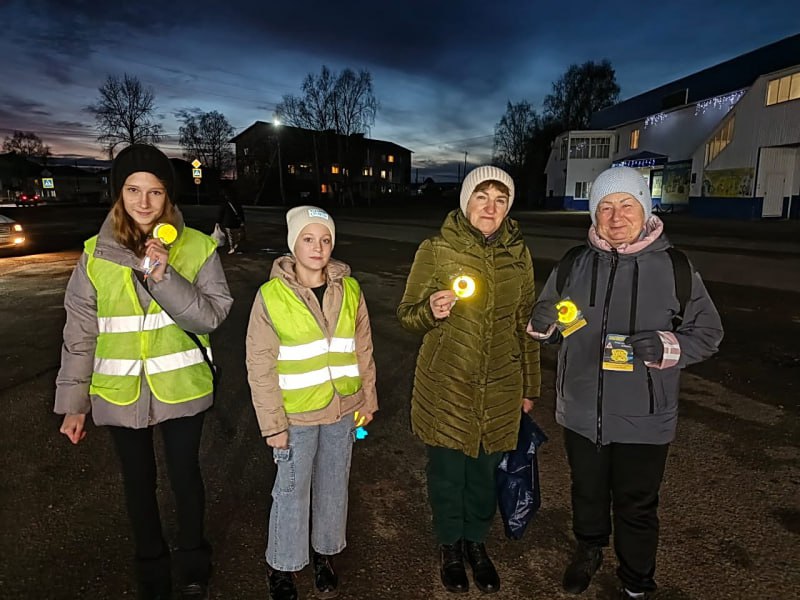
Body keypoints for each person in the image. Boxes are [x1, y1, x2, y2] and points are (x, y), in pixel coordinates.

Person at [528, 166, 723, 600]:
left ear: (645, 210)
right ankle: (589, 548)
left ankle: (636, 579)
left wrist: (666, 345)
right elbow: (546, 318)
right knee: (587, 491)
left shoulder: (675, 267)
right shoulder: (573, 263)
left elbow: (708, 333)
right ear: (594, 215)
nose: (616, 217)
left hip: (644, 415)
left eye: (626, 205)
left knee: (637, 504)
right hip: (581, 409)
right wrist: (542, 325)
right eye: (605, 207)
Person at [55, 144, 233, 600]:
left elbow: (210, 317)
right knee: (138, 483)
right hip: (118, 390)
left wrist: (164, 276)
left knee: (185, 476)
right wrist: (73, 404)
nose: (144, 202)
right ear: (119, 193)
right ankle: (151, 566)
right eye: (133, 189)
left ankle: (193, 561)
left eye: (155, 191)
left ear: (167, 196)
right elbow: (80, 332)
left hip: (181, 385)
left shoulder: (196, 246)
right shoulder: (95, 254)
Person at [397, 166, 540, 595]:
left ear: (508, 207)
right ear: (466, 201)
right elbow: (406, 314)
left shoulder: (520, 254)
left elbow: (526, 325)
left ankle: (477, 544)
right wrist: (431, 309)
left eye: (500, 199)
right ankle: (450, 547)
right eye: (483, 196)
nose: (490, 207)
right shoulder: (437, 250)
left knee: (482, 474)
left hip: (500, 386)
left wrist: (530, 388)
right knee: (446, 474)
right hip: (447, 385)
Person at [246, 206, 378, 600]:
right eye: (308, 238)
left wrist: (368, 399)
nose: (318, 247)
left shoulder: (350, 289)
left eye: (325, 239)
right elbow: (260, 364)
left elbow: (363, 349)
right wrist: (273, 425)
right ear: (293, 244)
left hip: (342, 410)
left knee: (334, 486)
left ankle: (324, 554)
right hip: (296, 416)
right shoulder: (271, 296)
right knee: (291, 490)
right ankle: (283, 566)